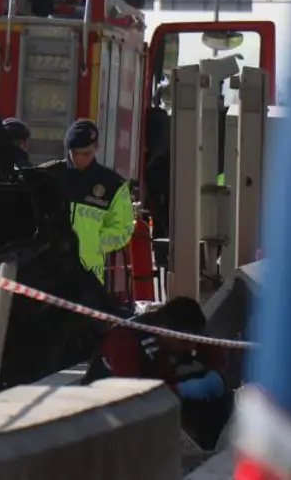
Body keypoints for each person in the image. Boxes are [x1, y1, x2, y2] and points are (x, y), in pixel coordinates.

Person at [81, 297, 233, 449]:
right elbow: (133, 396)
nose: (191, 347)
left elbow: (209, 350)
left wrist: (216, 372)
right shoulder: (124, 340)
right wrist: (182, 390)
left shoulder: (183, 335)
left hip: (153, 387)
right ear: (164, 330)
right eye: (185, 343)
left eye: (194, 340)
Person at [39, 119, 135, 283]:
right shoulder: (49, 176)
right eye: (74, 153)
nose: (79, 159)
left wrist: (95, 243)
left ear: (96, 148)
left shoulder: (113, 185)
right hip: (48, 272)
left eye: (85, 154)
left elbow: (124, 228)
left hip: (89, 276)